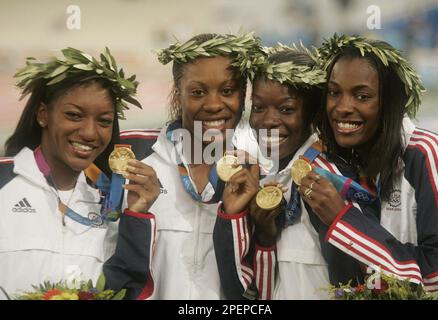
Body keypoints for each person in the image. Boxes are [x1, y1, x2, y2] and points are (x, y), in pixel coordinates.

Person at [103, 32, 264, 299]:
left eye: (227, 91)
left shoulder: (254, 176)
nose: (214, 104)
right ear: (178, 95)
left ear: (243, 95)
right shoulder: (129, 156)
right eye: (198, 92)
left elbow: (250, 288)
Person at [213, 44, 365, 300]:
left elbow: (355, 286)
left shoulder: (330, 180)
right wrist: (262, 236)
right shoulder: (268, 179)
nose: (268, 121)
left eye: (286, 109)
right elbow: (258, 296)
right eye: (259, 107)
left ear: (314, 114)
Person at [300, 34, 438, 292]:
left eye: (362, 96)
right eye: (334, 93)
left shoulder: (426, 153)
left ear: (389, 104)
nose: (343, 107)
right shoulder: (345, 161)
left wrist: (344, 220)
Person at [0, 47, 153, 298]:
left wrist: (136, 216)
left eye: (104, 121)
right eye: (74, 115)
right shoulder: (4, 180)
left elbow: (123, 289)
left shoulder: (112, 202)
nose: (90, 133)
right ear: (43, 115)